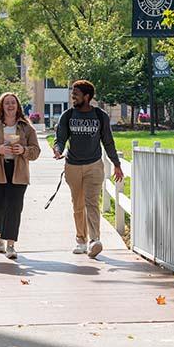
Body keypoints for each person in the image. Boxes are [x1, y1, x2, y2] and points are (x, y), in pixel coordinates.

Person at [53, 80, 123, 259]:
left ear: (87, 96)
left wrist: (116, 164)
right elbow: (60, 138)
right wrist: (58, 150)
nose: (73, 97)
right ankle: (81, 240)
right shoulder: (68, 115)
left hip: (94, 165)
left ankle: (94, 241)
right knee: (78, 204)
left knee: (91, 202)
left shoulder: (100, 116)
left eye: (76, 94)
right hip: (73, 166)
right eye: (72, 94)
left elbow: (108, 141)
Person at [0, 93, 41, 259]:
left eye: (13, 102)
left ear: (18, 105)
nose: (10, 105)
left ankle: (11, 245)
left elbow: (36, 151)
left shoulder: (26, 127)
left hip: (18, 172)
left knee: (14, 207)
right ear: (2, 106)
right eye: (7, 103)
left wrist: (23, 150)